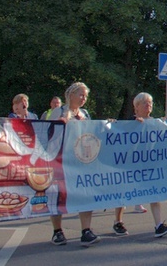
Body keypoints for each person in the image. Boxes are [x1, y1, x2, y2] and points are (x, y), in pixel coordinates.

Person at [48, 82, 127, 246]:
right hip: (62, 160)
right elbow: (49, 135)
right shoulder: (59, 111)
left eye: (85, 96)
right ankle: (57, 231)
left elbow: (93, 133)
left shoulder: (84, 113)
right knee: (59, 196)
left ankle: (86, 230)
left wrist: (106, 125)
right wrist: (62, 123)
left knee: (85, 194)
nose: (84, 98)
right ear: (71, 95)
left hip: (82, 161)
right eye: (81, 95)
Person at [131, 92, 167, 237]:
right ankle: (118, 221)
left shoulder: (156, 122)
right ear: (136, 106)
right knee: (123, 194)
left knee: (155, 195)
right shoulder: (130, 123)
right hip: (133, 166)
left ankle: (159, 225)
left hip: (151, 165)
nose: (148, 105)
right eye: (145, 103)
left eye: (150, 103)